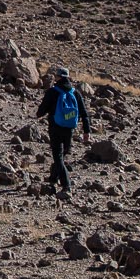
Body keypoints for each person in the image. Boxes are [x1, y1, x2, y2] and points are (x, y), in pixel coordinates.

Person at [35, 67, 91, 198]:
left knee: (58, 157)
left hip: (55, 128)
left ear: (58, 77)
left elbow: (43, 109)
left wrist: (38, 114)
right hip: (69, 128)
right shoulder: (75, 92)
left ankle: (67, 186)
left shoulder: (53, 92)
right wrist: (86, 131)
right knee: (62, 155)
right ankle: (52, 180)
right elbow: (84, 112)